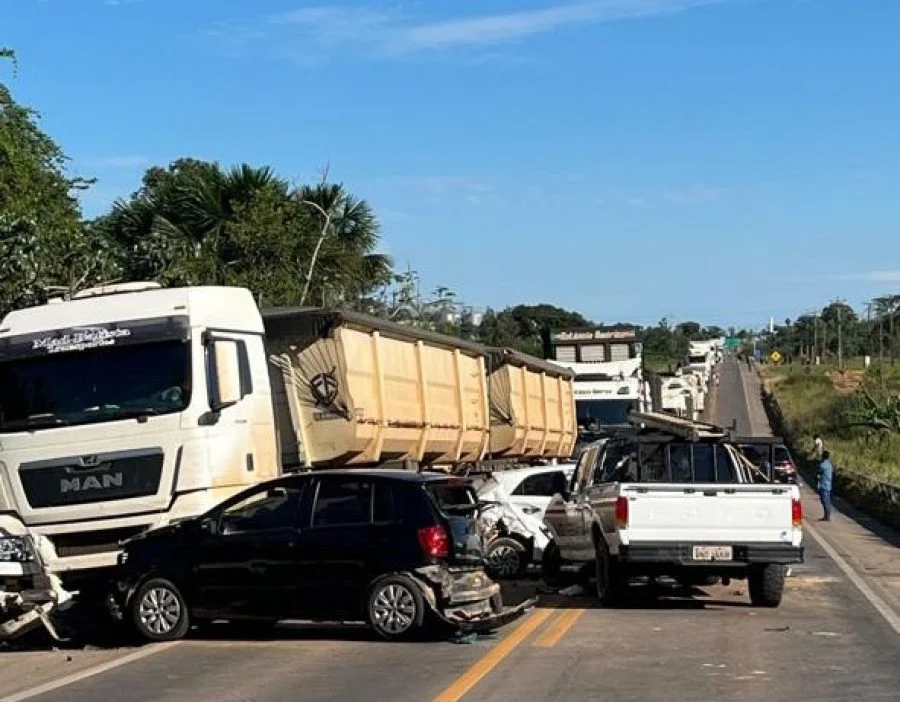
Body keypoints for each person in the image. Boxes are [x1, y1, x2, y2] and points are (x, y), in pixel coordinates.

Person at [817, 451, 834, 522]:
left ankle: (827, 517)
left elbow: (819, 474)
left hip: (823, 485)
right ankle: (826, 516)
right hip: (828, 485)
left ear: (822, 456)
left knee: (824, 501)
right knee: (827, 501)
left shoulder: (822, 465)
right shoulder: (830, 464)